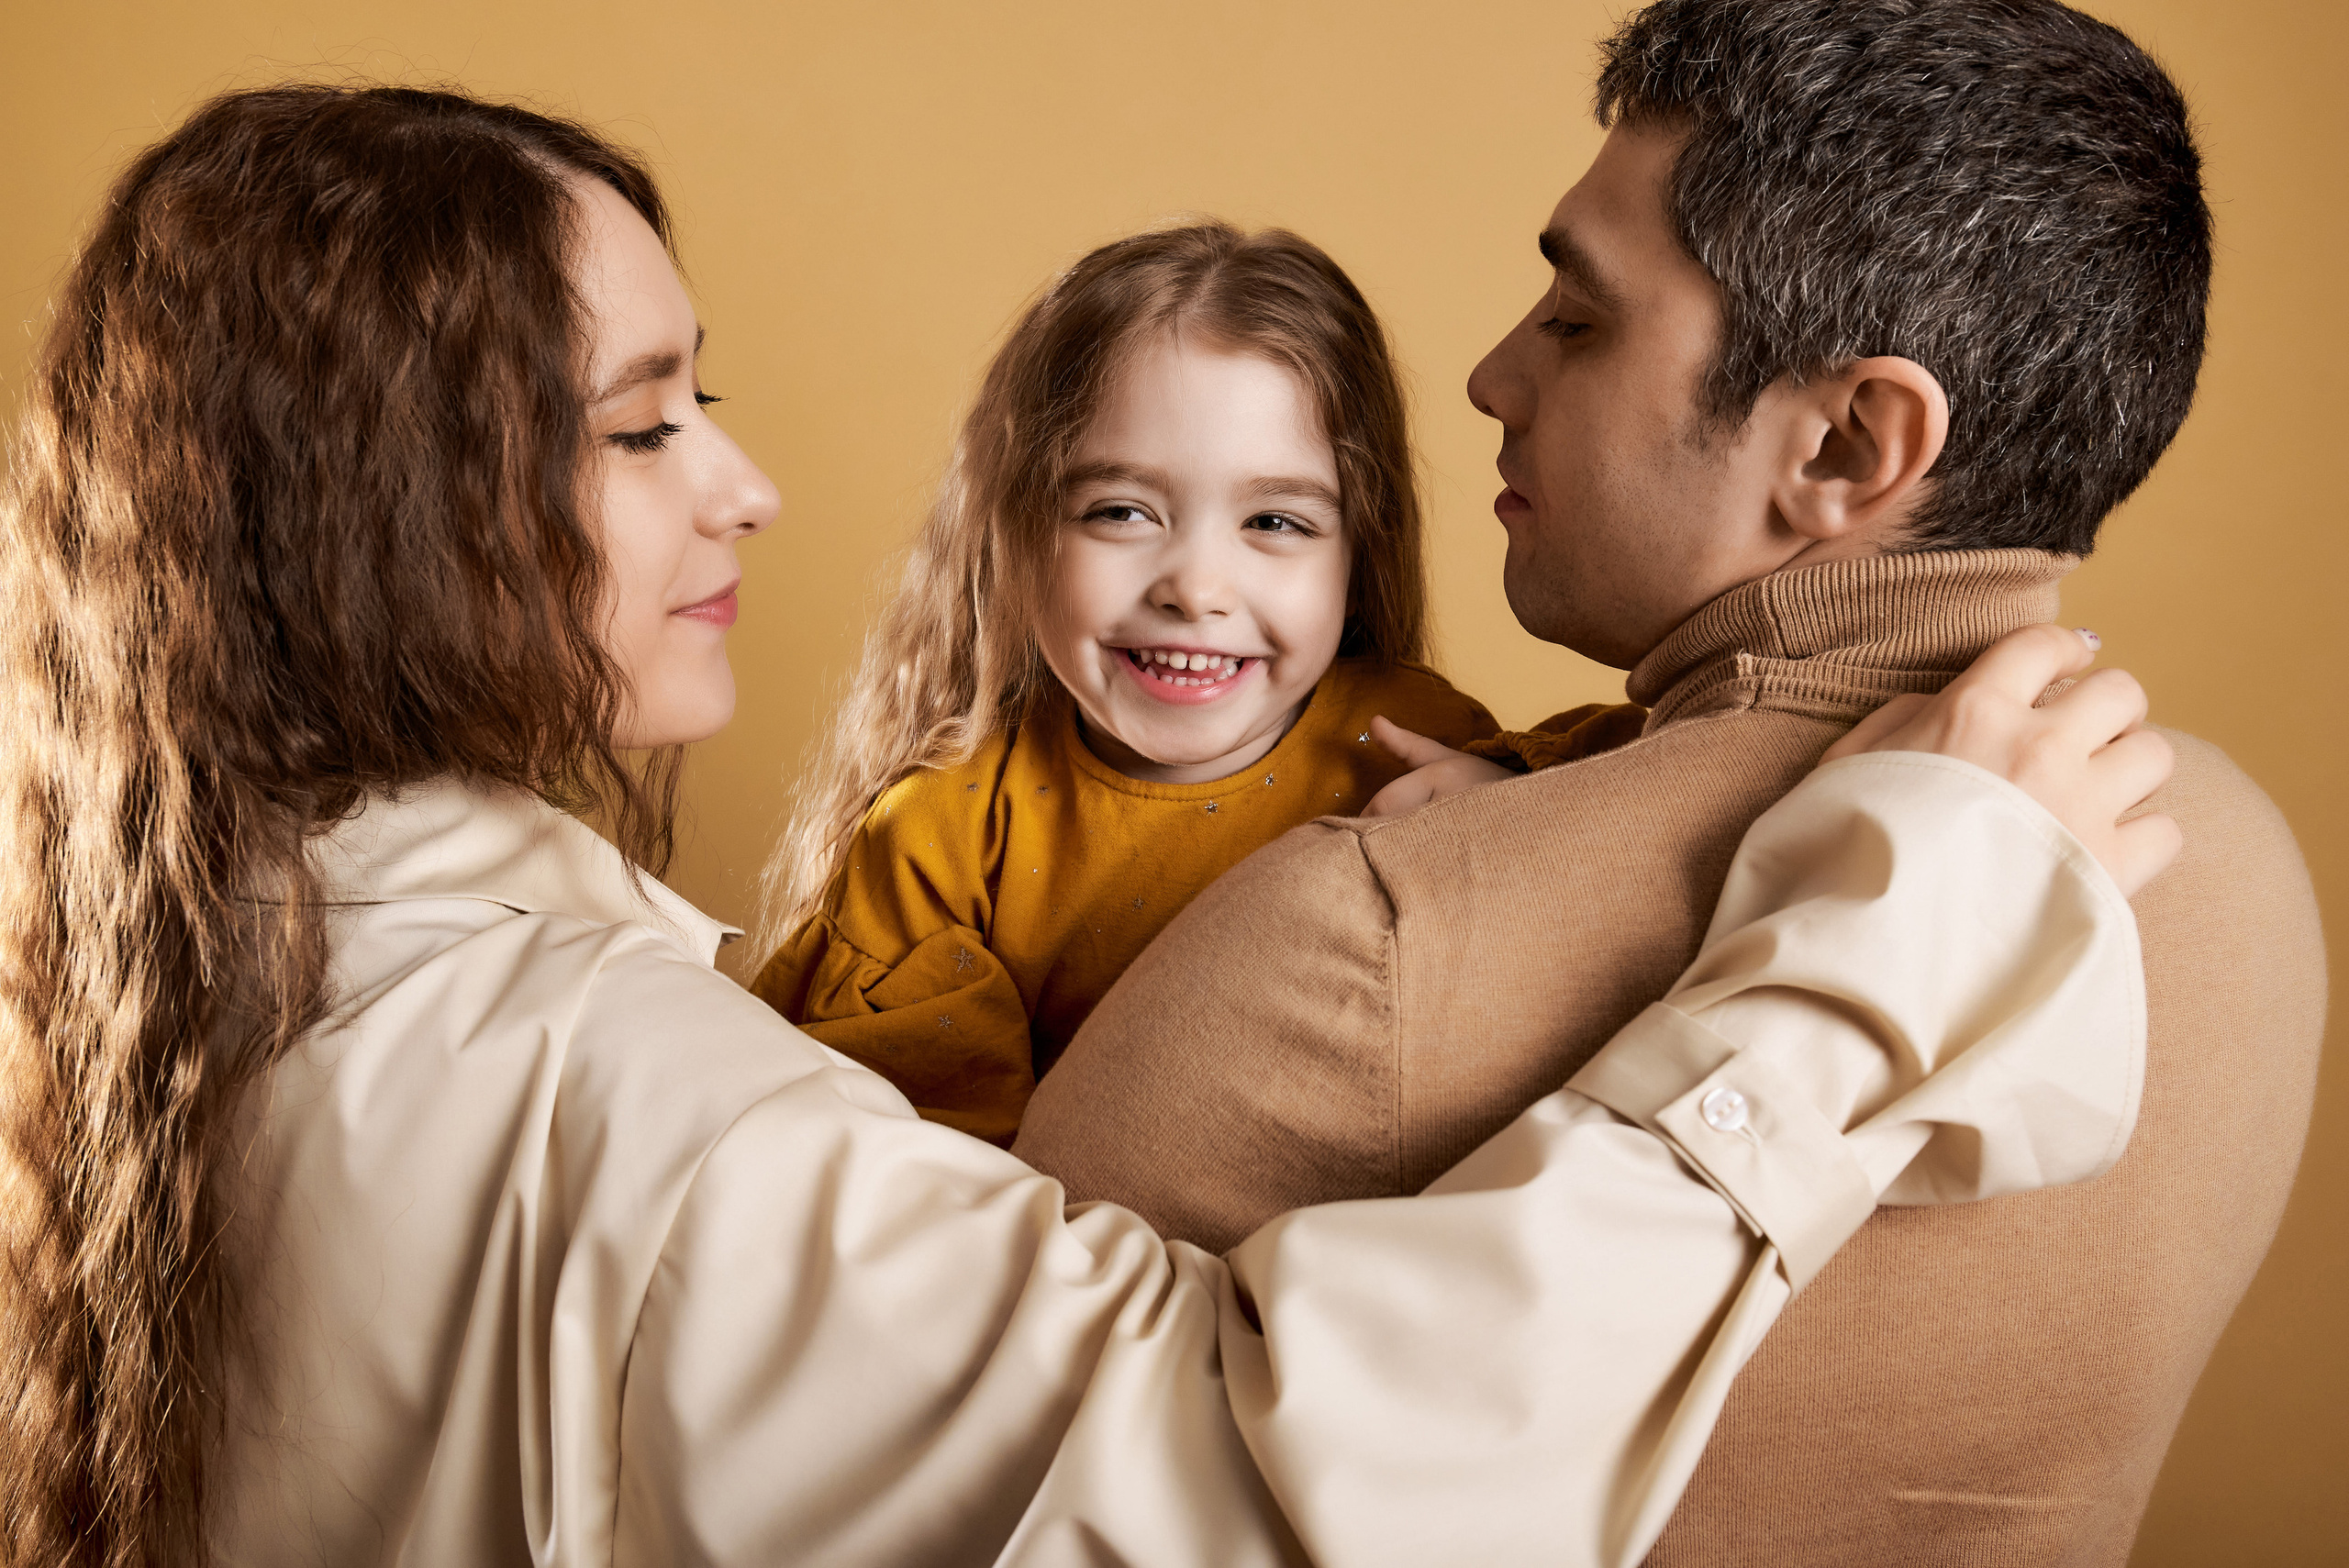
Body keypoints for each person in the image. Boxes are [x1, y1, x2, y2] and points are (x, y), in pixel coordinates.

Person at [0, 82, 2165, 1568]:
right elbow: (1241, 1487)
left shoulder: (127, 963)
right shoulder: (644, 1108)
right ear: (393, 517)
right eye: (647, 422)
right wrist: (1885, 953)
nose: (742, 486)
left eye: (709, 399)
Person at [1012, 2, 2327, 1563]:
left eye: (1579, 319)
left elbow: (947, 1471)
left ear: (1849, 439)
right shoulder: (2237, 868)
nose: (1495, 374)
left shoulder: (1362, 938)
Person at [750, 222, 1640, 1145]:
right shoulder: (944, 840)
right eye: (1121, 511)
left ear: (1356, 547)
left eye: (1274, 520)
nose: (1195, 587)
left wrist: (1510, 831)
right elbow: (915, 1180)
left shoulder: (1414, 745)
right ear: (1012, 533)